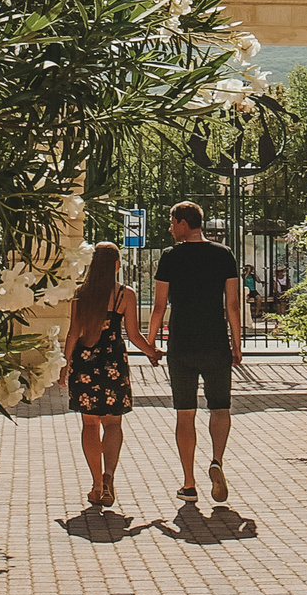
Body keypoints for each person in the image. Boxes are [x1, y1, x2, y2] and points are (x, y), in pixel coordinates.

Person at [149, 201, 243, 504]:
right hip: (215, 342)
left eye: (171, 222)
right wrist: (237, 344)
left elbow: (160, 306)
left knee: (185, 413)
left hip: (182, 344)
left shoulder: (170, 257)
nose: (170, 228)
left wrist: (150, 342)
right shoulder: (224, 255)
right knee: (220, 407)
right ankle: (217, 460)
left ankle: (189, 483)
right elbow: (233, 304)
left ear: (182, 223)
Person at [65, 241, 151, 508]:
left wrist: (65, 363)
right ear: (116, 265)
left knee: (89, 424)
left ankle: (96, 483)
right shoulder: (125, 294)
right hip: (113, 361)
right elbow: (134, 335)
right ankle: (109, 475)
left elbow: (73, 332)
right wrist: (152, 352)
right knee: (113, 424)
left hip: (86, 363)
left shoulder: (82, 293)